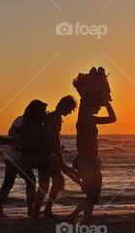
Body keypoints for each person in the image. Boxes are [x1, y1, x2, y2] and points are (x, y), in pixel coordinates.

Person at [67, 70, 116, 224]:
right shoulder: (86, 120)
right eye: (96, 107)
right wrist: (106, 102)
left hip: (85, 160)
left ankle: (73, 216)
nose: (97, 109)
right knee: (93, 194)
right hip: (88, 161)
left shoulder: (86, 119)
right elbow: (112, 118)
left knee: (90, 193)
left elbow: (112, 118)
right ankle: (85, 221)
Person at [41, 95, 78, 219]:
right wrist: (59, 156)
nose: (70, 112)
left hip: (48, 154)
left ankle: (45, 209)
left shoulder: (52, 116)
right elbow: (54, 138)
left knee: (56, 181)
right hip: (49, 155)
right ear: (65, 106)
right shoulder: (56, 117)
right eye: (70, 109)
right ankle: (41, 211)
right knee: (50, 183)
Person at [18, 99, 50, 222]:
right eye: (43, 112)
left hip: (34, 158)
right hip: (38, 158)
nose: (45, 113)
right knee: (43, 186)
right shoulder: (33, 128)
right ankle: (35, 212)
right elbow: (35, 145)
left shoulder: (29, 125)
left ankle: (34, 211)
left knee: (37, 184)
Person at [0, 115, 24, 219]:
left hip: (19, 158)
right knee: (8, 183)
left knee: (30, 181)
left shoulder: (30, 121)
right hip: (12, 157)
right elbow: (12, 132)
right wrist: (18, 143)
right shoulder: (22, 119)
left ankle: (0, 210)